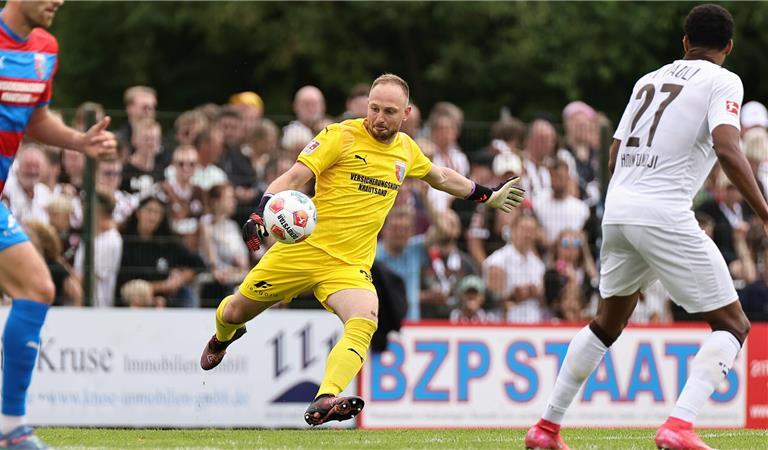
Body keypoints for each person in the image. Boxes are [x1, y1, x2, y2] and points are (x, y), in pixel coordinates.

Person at [199, 74, 524, 426]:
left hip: (349, 266)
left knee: (365, 319)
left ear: (406, 114)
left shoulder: (405, 150)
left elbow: (441, 176)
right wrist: (260, 209)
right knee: (234, 311)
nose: (379, 117)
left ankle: (326, 397)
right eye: (374, 108)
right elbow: (294, 177)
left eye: (389, 111)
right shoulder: (339, 136)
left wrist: (487, 194)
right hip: (301, 252)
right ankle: (223, 338)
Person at [526, 5, 768, 450]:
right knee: (733, 325)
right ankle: (679, 424)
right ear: (729, 48)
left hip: (618, 210)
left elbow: (615, 151)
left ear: (684, 42)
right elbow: (729, 148)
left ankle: (546, 428)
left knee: (605, 323)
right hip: (663, 211)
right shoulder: (724, 80)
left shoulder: (648, 80)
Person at [0, 1, 117, 448]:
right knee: (36, 286)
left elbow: (34, 119)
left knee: (35, 289)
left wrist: (79, 141)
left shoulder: (45, 48)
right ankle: (13, 429)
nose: (58, 1)